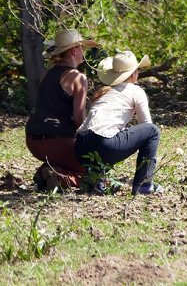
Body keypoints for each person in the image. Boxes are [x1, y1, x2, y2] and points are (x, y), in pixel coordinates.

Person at [74, 51, 163, 195]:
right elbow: (147, 124)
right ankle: (144, 185)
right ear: (134, 73)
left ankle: (95, 182)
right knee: (153, 131)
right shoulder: (135, 90)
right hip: (104, 144)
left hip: (80, 147)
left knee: (109, 137)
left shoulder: (105, 92)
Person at [26, 28, 100, 191]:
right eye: (82, 48)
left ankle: (50, 171)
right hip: (59, 142)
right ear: (74, 50)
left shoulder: (46, 74)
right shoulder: (79, 77)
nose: (83, 51)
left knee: (70, 159)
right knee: (95, 170)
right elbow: (79, 117)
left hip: (33, 141)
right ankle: (60, 176)